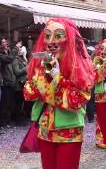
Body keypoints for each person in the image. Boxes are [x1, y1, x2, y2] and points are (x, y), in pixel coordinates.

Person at [23, 18, 95, 169]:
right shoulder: (40, 66)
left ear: (69, 39)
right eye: (47, 36)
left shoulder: (81, 69)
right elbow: (28, 93)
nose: (51, 41)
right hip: (45, 130)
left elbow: (75, 102)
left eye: (58, 35)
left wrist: (57, 78)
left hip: (69, 132)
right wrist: (41, 76)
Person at [0, 38, 17, 128]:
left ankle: (7, 122)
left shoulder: (7, 53)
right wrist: (16, 49)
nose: (6, 43)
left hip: (10, 82)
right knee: (4, 105)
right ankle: (2, 123)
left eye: (6, 41)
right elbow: (9, 59)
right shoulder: (0, 54)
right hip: (5, 83)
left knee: (9, 104)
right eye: (3, 42)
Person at [12, 44, 27, 126]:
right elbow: (17, 71)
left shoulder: (23, 59)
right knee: (18, 103)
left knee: (22, 103)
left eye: (22, 49)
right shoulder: (15, 60)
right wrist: (26, 68)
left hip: (23, 84)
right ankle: (18, 120)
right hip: (18, 84)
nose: (21, 51)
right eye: (20, 49)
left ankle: (22, 119)